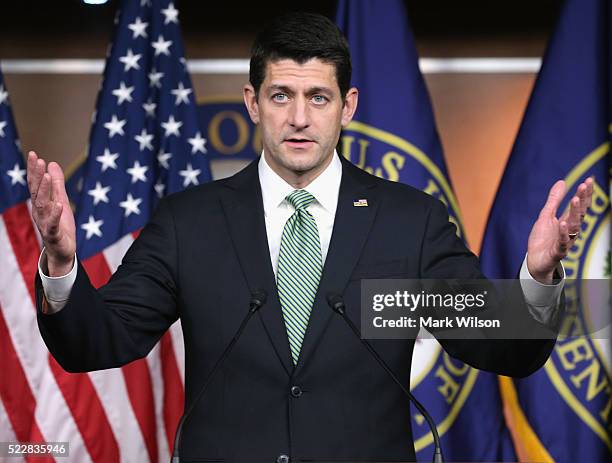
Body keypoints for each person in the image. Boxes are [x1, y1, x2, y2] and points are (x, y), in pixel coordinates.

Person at [28, 12, 593, 462]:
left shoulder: (408, 222)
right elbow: (95, 344)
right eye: (281, 96)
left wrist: (538, 279)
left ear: (346, 107)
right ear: (253, 103)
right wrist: (60, 264)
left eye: (318, 98)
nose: (299, 118)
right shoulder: (189, 223)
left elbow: (502, 347)